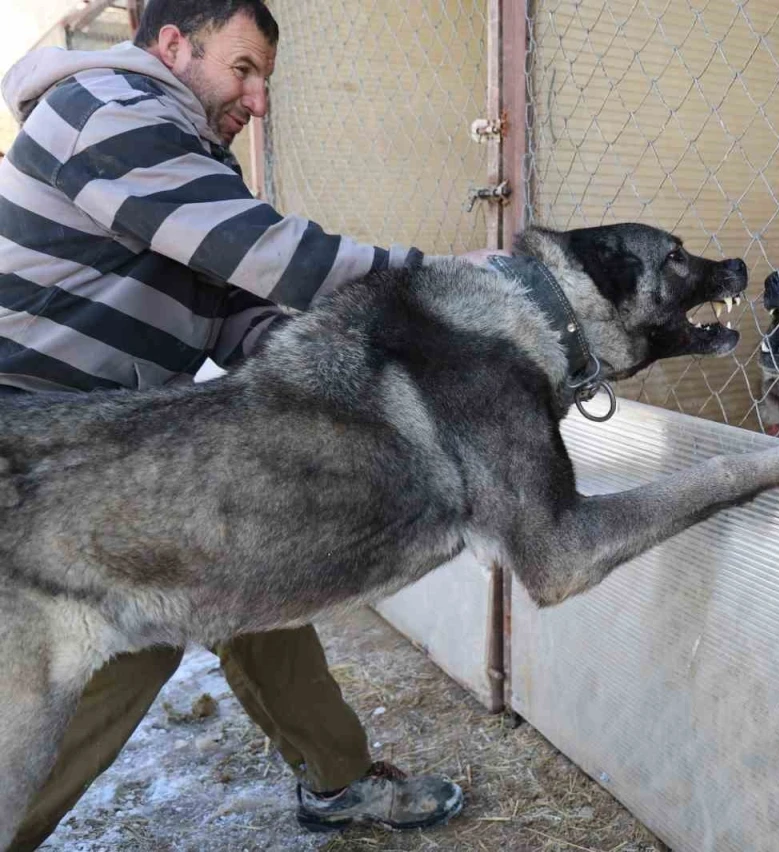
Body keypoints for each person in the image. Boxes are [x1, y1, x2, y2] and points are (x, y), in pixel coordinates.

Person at [0, 1, 464, 847]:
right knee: (137, 622)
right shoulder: (103, 109)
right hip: (30, 456)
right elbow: (267, 257)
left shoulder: (188, 161)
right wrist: (450, 289)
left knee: (258, 557)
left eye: (265, 80)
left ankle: (337, 779)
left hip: (100, 448)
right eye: (243, 69)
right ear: (174, 45)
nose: (258, 100)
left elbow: (242, 316)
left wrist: (347, 374)